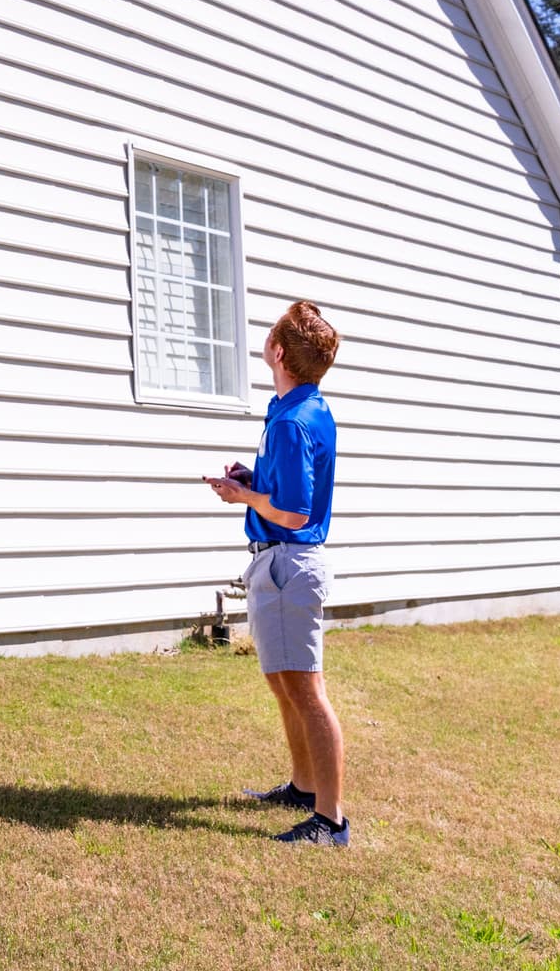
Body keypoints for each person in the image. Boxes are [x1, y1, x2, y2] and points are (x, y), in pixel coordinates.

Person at [203, 300, 347, 846]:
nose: (263, 341)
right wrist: (252, 477)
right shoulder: (298, 408)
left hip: (289, 561)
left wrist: (241, 495)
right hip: (279, 561)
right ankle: (304, 788)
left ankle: (330, 820)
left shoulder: (291, 422)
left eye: (268, 337)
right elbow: (284, 486)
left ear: (279, 352)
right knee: (282, 683)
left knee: (307, 691)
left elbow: (295, 512)